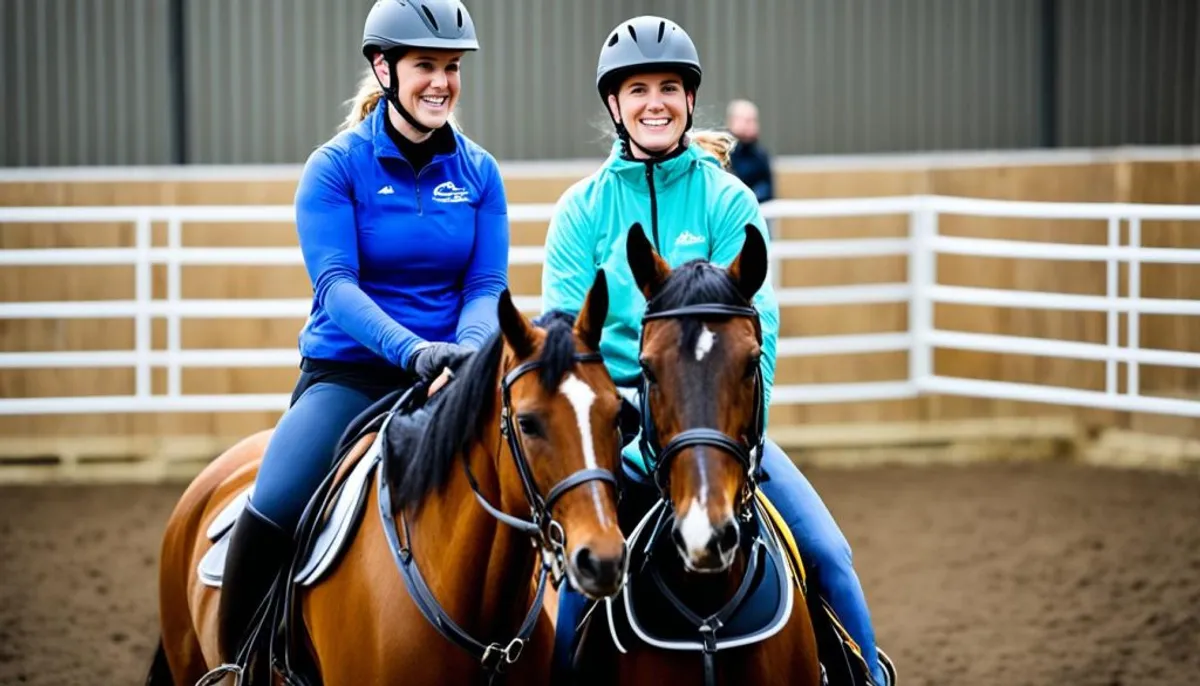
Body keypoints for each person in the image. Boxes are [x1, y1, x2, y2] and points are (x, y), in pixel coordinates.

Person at [541, 15, 888, 686]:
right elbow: (564, 340)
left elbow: (764, 331)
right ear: (615, 105)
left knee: (829, 555)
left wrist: (738, 437)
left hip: (717, 434)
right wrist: (630, 439)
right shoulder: (581, 212)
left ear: (690, 99)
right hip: (622, 435)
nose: (655, 102)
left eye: (669, 86)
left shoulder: (730, 200)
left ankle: (866, 676)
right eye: (637, 89)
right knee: (574, 591)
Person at [215, 0, 509, 666]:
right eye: (425, 66)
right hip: (350, 376)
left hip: (453, 377)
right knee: (277, 499)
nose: (441, 82)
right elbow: (336, 288)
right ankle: (235, 667)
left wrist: (461, 355)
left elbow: (485, 287)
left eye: (452, 68)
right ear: (384, 68)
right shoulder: (335, 168)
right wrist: (414, 349)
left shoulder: (480, 174)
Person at [726, 98, 775, 204]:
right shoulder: (722, 153)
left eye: (754, 121)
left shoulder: (761, 155)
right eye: (747, 121)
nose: (751, 126)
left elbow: (767, 189)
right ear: (732, 121)